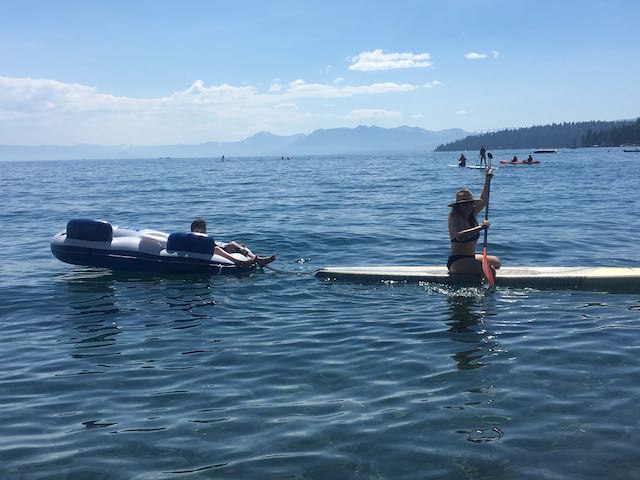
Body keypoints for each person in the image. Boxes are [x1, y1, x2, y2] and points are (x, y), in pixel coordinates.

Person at [447, 168, 501, 276]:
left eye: (470, 204)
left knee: (496, 262)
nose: (467, 207)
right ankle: (484, 291)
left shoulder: (471, 214)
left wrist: (487, 179)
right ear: (458, 206)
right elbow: (460, 236)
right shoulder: (454, 218)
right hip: (457, 261)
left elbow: (484, 200)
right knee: (490, 270)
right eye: (464, 204)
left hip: (470, 257)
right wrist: (480, 227)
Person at [190, 218, 276, 267]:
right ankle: (240, 262)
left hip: (221, 251)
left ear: (205, 232)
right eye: (197, 231)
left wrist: (237, 248)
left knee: (232, 243)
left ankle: (256, 258)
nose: (199, 234)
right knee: (215, 248)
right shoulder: (190, 239)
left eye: (202, 232)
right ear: (192, 231)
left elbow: (216, 245)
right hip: (212, 252)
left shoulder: (206, 239)